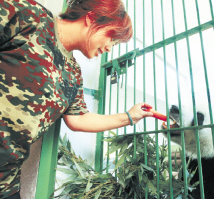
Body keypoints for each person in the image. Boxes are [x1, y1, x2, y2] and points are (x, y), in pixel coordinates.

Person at [0, 0, 153, 198]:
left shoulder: (73, 73)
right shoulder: (30, 16)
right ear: (91, 18)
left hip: (6, 180)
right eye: (112, 38)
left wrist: (130, 116)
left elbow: (78, 118)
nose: (109, 48)